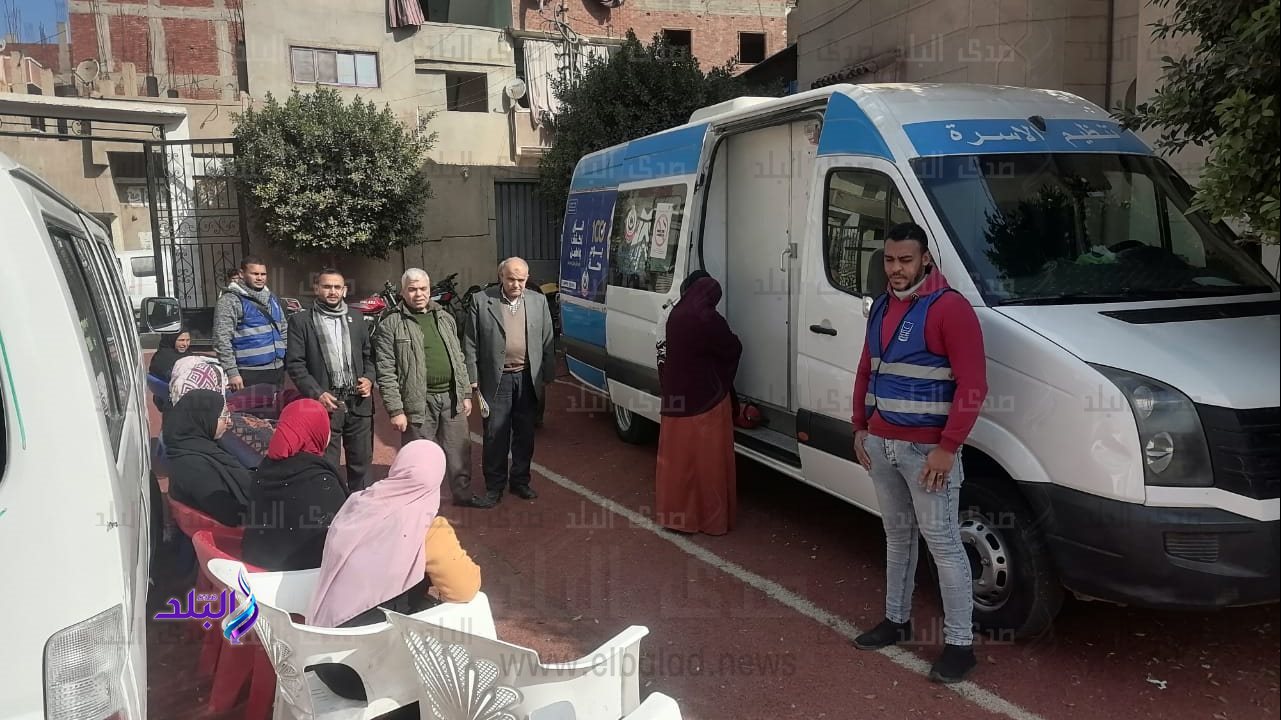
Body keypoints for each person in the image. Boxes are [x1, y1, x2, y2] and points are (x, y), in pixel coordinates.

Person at [850, 221, 988, 685]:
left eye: (905, 260)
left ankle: (960, 645)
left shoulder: (950, 309)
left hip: (927, 453)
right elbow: (867, 370)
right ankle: (896, 619)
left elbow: (973, 386)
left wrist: (948, 449)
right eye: (889, 260)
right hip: (882, 444)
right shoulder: (883, 307)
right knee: (897, 537)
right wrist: (860, 427)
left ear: (925, 259)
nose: (896, 268)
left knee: (945, 545)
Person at [305, 440, 481, 707]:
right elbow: (465, 589)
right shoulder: (429, 528)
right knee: (456, 641)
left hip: (318, 653)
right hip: (367, 675)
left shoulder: (358, 503)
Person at [373, 268, 486, 507]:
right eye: (412, 289)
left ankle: (463, 496)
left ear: (429, 289)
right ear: (403, 292)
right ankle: (419, 503)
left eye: (423, 289)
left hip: (451, 397)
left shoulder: (444, 317)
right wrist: (396, 410)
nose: (418, 294)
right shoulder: (391, 324)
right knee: (419, 457)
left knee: (459, 453)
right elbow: (386, 371)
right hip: (418, 402)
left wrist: (465, 393)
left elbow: (458, 357)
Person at [654, 271, 742, 536]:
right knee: (709, 465)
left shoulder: (675, 315)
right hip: (706, 402)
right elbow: (732, 348)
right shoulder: (708, 319)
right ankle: (710, 520)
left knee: (677, 464)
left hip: (675, 401)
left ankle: (675, 517)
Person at [463, 257, 556, 506]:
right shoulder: (481, 301)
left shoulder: (537, 301)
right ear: (500, 276)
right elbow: (470, 343)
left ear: (527, 278)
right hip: (497, 379)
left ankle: (520, 481)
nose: (516, 284)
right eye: (511, 279)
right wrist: (472, 379)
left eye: (521, 279)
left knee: (525, 433)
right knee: (495, 434)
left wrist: (547, 373)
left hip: (528, 377)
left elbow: (548, 337)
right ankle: (494, 487)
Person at [286, 268, 375, 492]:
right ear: (316, 288)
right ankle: (330, 513)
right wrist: (317, 393)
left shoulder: (356, 318)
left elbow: (369, 357)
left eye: (337, 287)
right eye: (327, 286)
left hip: (358, 404)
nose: (332, 291)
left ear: (344, 290)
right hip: (325, 405)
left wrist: (369, 379)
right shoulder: (301, 321)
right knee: (327, 466)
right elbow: (295, 364)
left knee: (362, 465)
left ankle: (361, 511)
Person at [242, 399, 348, 571]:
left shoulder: (265, 467)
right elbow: (341, 537)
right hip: (301, 580)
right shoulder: (320, 481)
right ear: (316, 431)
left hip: (256, 568)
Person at [162, 389, 254, 527]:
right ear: (203, 418)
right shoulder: (194, 468)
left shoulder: (197, 445)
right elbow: (231, 514)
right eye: (223, 416)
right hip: (231, 533)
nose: (228, 422)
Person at [213, 256, 288, 392]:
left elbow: (283, 330)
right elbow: (221, 339)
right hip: (249, 373)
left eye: (263, 274)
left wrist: (286, 357)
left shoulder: (273, 298)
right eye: (255, 274)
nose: (260, 278)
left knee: (277, 411)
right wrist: (232, 373)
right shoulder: (230, 300)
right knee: (252, 413)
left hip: (277, 369)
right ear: (242, 274)